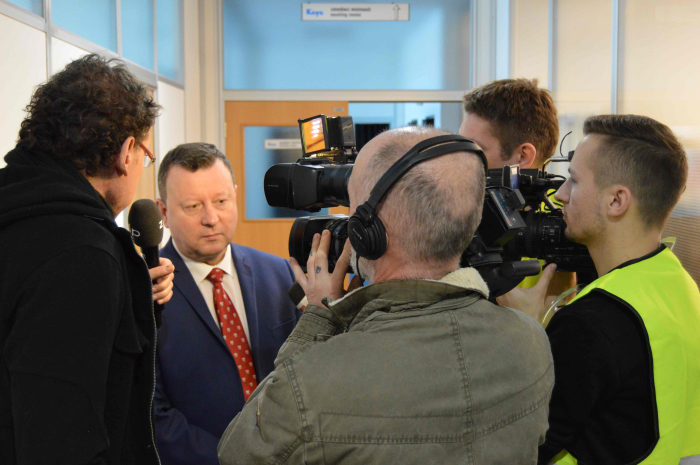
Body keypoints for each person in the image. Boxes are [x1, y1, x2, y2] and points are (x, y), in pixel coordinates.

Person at [217, 127, 554, 464]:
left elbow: (238, 452)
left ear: (367, 233)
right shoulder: (531, 341)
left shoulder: (311, 384)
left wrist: (320, 319)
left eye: (351, 208)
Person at [0, 54, 173, 464]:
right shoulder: (82, 254)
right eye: (146, 156)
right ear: (126, 153)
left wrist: (131, 302)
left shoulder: (17, 216)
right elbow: (62, 434)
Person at [500, 115, 700, 464]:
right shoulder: (680, 283)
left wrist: (524, 334)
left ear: (616, 201)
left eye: (574, 181)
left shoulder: (591, 323)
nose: (560, 194)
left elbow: (518, 446)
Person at [153, 142, 301, 465]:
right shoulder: (147, 290)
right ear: (163, 212)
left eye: (221, 201)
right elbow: (154, 415)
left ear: (235, 195)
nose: (211, 218)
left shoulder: (278, 273)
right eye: (192, 206)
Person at [460, 77, 575, 299]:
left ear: (522, 156)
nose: (462, 159)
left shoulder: (566, 221)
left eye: (475, 149)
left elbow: (557, 307)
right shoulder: (465, 207)